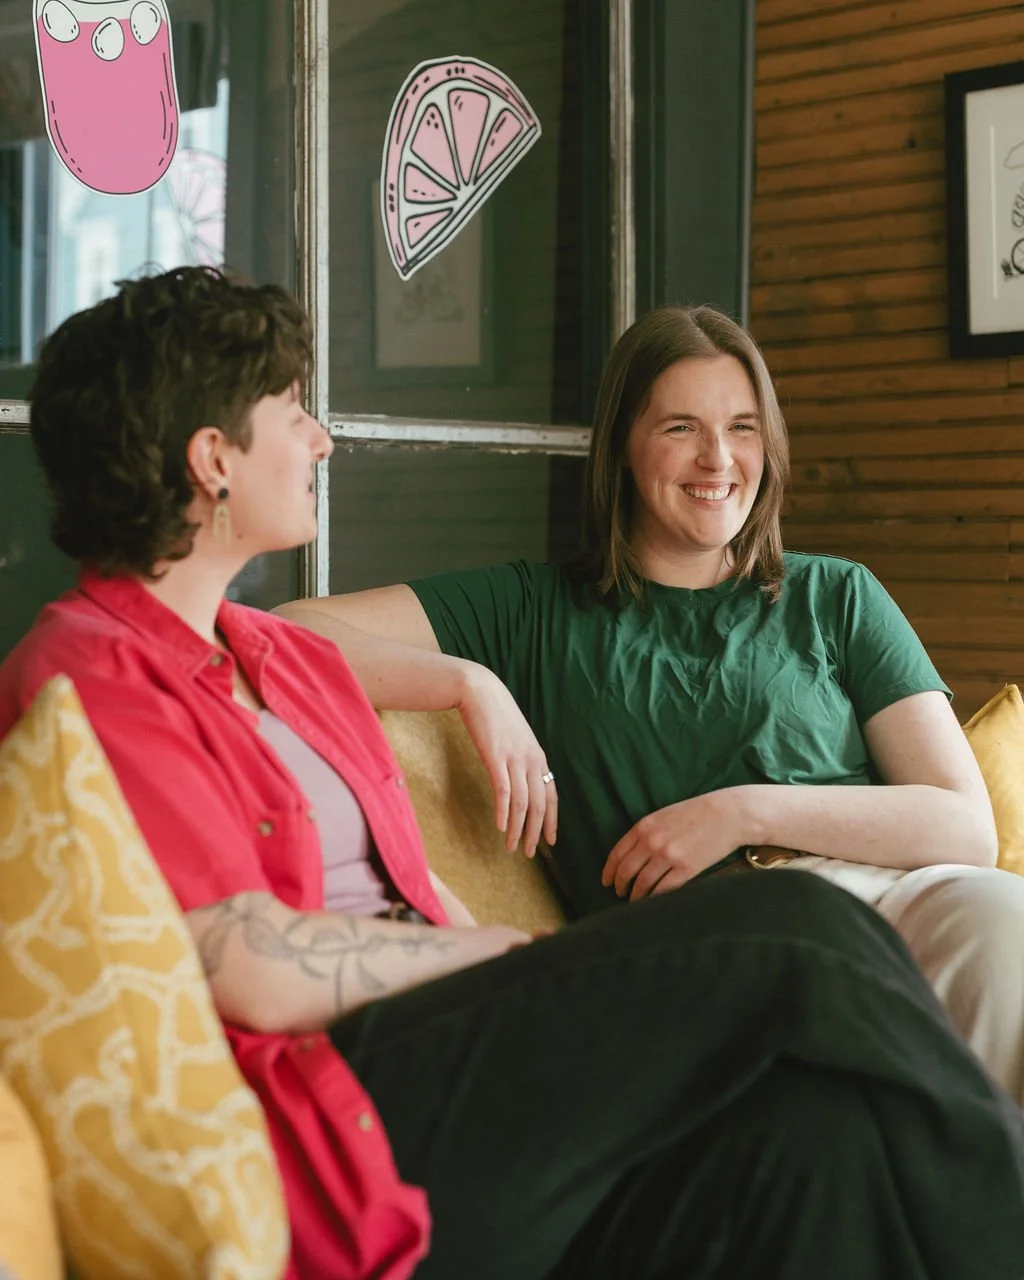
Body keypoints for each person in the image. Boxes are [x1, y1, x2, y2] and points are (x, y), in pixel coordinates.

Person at [2, 270, 1023, 1280]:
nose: (322, 437)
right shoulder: (87, 675)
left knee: (817, 1140)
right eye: (292, 411)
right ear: (212, 458)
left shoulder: (278, 664)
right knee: (802, 926)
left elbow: (397, 848)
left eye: (743, 426)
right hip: (348, 1100)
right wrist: (506, 953)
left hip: (458, 1052)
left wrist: (465, 683)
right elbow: (247, 964)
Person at [277, 303, 1024, 1113]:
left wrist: (741, 812)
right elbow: (289, 630)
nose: (718, 459)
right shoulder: (535, 609)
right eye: (680, 428)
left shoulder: (835, 595)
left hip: (896, 904)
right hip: (714, 950)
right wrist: (470, 683)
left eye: (742, 427)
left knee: (1003, 924)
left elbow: (964, 825)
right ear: (624, 449)